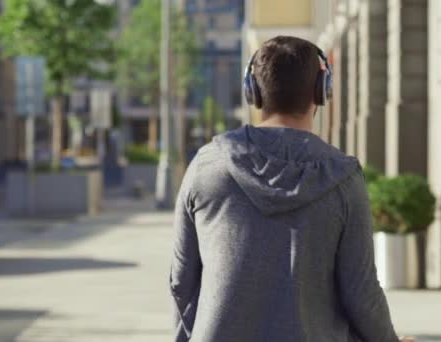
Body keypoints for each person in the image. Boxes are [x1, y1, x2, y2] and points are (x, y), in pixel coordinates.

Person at [170, 36, 403, 342]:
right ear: (322, 91)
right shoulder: (343, 178)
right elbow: (361, 292)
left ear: (252, 91)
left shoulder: (207, 166)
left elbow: (181, 282)